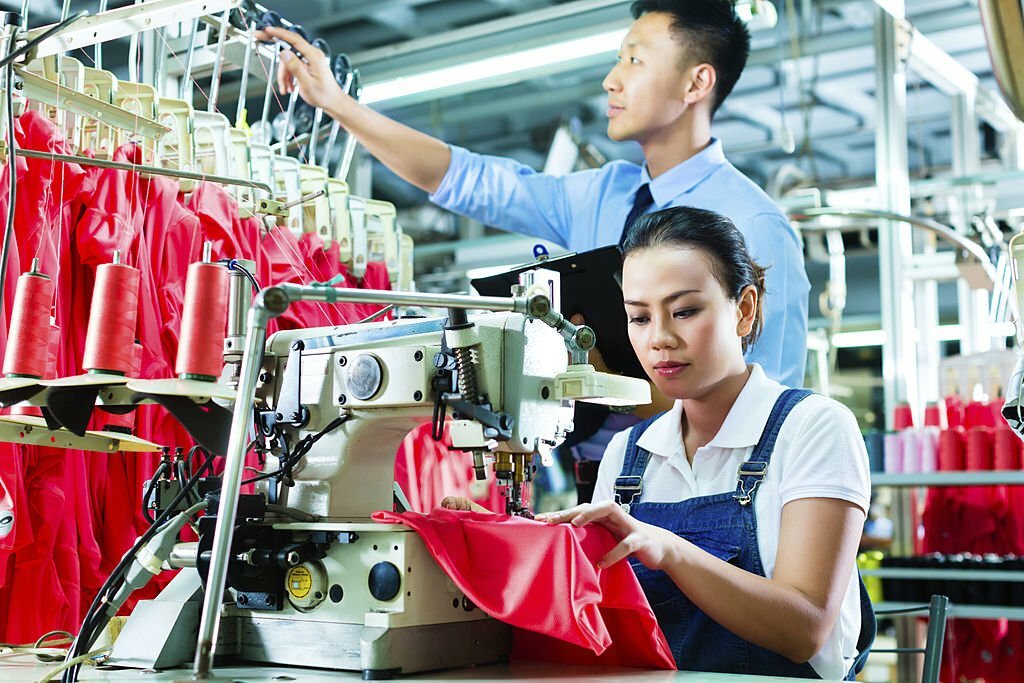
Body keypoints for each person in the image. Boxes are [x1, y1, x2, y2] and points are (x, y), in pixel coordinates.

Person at [259, 0, 810, 501]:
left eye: (635, 61)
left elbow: (768, 403)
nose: (612, 80)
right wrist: (336, 104)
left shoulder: (753, 224)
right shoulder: (602, 192)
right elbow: (472, 180)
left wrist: (622, 391)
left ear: (697, 83)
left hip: (711, 489)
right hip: (602, 483)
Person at [444, 206, 874, 679]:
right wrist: (498, 546)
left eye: (684, 311)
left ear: (744, 309)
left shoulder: (813, 428)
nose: (660, 339)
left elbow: (805, 629)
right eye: (639, 318)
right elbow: (598, 612)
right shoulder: (628, 454)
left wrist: (669, 549)